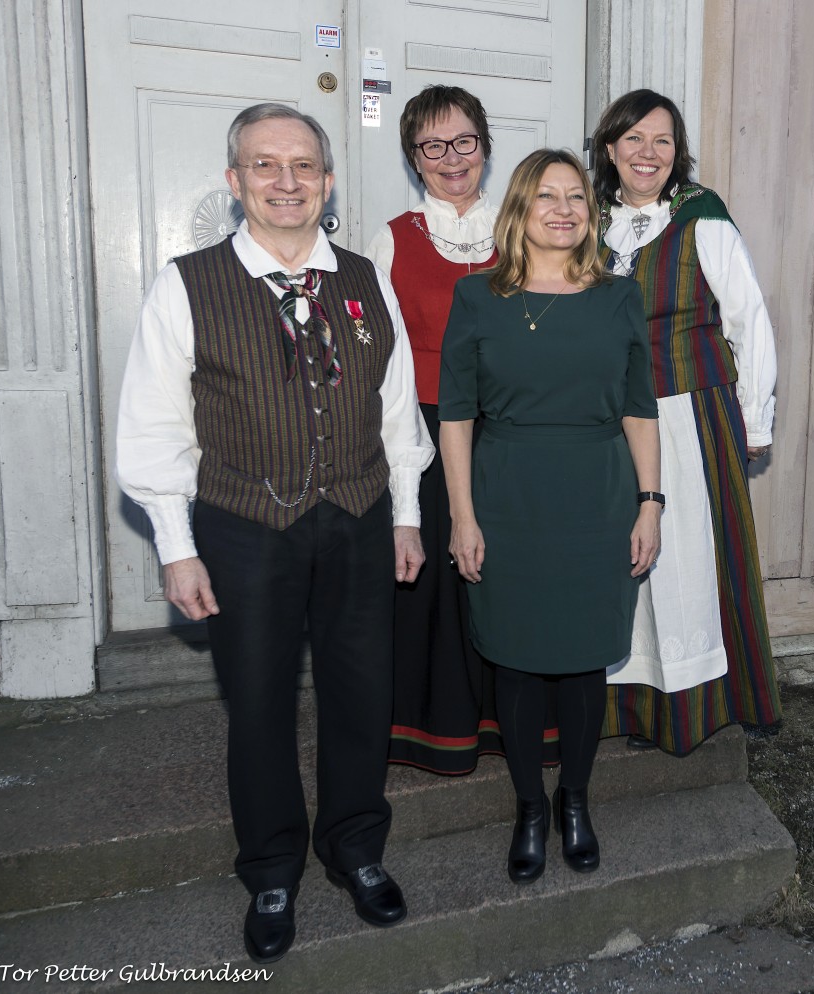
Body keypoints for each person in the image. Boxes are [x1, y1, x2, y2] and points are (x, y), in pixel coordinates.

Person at [116, 103, 434, 964]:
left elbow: (395, 407)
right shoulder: (188, 283)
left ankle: (357, 848)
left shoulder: (365, 279)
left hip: (362, 513)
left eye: (303, 166)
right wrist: (176, 546)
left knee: (362, 692)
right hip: (245, 524)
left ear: (327, 183)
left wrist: (405, 514)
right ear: (236, 182)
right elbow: (154, 427)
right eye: (265, 165)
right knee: (256, 701)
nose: (285, 180)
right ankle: (269, 867)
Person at [438, 149, 661, 883]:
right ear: (520, 212)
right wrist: (462, 518)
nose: (563, 209)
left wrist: (650, 504)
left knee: (585, 656)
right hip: (508, 498)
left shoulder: (620, 296)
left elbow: (638, 408)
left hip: (597, 496)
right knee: (517, 658)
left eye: (575, 197)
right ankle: (530, 805)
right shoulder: (477, 299)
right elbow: (458, 417)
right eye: (545, 197)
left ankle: (576, 800)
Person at [592, 88, 782, 755]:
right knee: (627, 559)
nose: (648, 153)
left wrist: (755, 418)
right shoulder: (588, 222)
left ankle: (699, 702)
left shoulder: (703, 218)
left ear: (678, 153)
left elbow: (748, 321)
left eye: (663, 141)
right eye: (634, 139)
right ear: (609, 148)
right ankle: (632, 697)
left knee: (689, 560)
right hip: (612, 422)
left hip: (690, 412)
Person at [364, 85, 507, 774]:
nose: (451, 158)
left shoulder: (525, 229)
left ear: (484, 145)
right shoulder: (390, 241)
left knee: (508, 578)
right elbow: (381, 364)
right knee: (436, 585)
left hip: (513, 433)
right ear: (413, 157)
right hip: (422, 430)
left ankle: (516, 726)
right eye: (432, 145)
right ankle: (436, 730)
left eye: (464, 142)